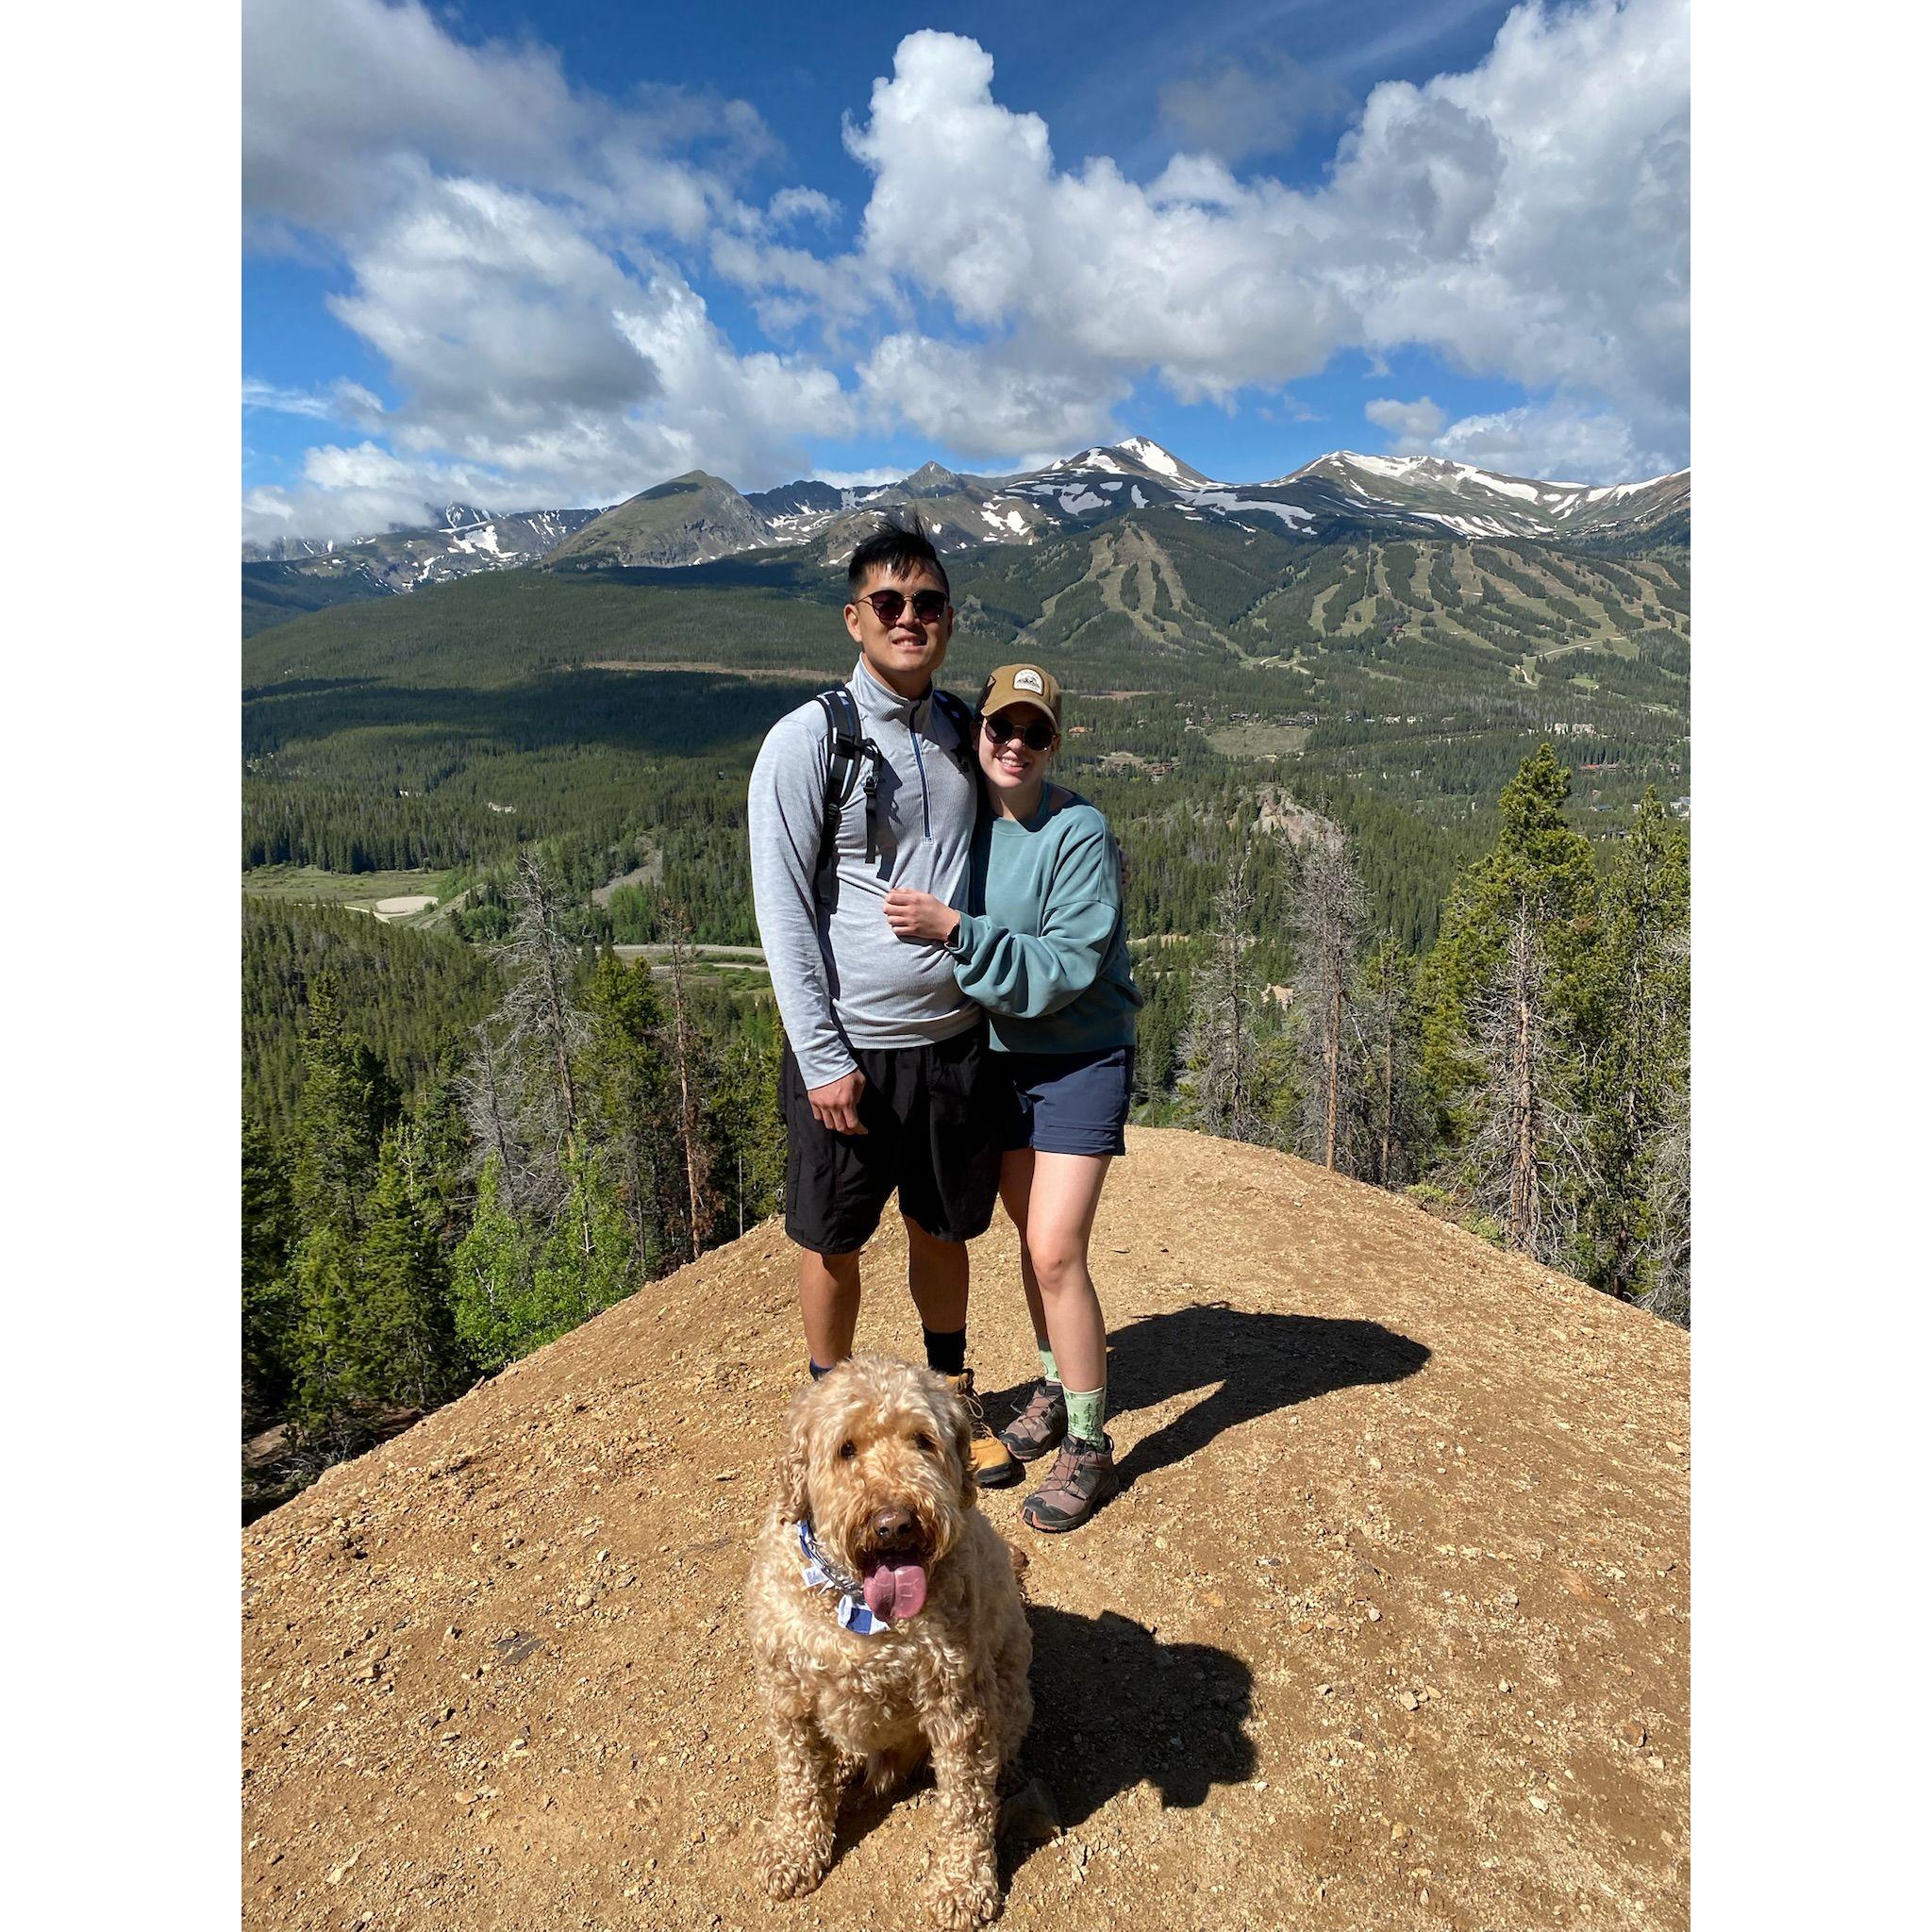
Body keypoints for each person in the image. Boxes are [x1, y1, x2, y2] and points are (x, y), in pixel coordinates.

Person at [748, 516, 1020, 1488]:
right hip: (853, 1048)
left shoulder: (959, 728)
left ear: (949, 618)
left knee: (942, 1228)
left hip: (951, 1040)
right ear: (854, 618)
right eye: (890, 604)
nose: (911, 619)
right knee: (832, 1237)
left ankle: (947, 1402)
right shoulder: (808, 739)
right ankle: (829, 1423)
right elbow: (780, 905)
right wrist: (819, 1054)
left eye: (929, 603)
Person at [883, 663, 1141, 1531]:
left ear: (1054, 744)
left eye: (1034, 732)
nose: (1014, 745)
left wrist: (957, 930)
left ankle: (1090, 1446)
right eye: (1001, 728)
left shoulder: (1079, 831)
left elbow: (1068, 966)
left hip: (1080, 1055)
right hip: (998, 1059)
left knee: (1058, 1247)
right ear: (980, 734)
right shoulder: (967, 827)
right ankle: (1057, 1388)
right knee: (1035, 1250)